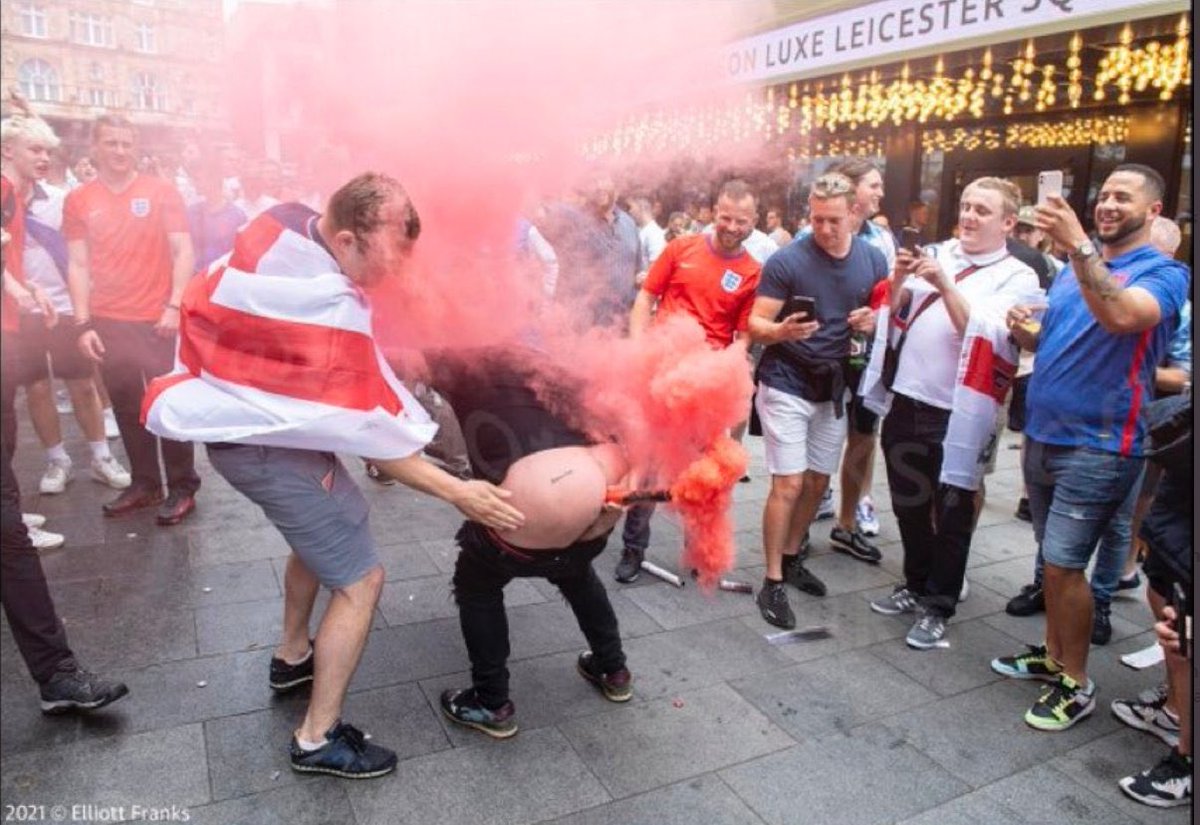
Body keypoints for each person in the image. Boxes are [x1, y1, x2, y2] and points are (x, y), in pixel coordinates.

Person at [142, 172, 525, 779]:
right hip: (262, 441)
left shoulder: (287, 220)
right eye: (385, 256)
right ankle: (318, 739)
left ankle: (293, 655)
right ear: (344, 240)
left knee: (337, 521)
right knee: (360, 579)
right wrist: (461, 493)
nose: (395, 272)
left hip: (256, 424)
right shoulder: (325, 304)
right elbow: (373, 436)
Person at [991, 164, 1188, 731]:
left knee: (1064, 564)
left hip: (1102, 444)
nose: (1107, 205)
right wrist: (1025, 331)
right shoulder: (1073, 271)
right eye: (1104, 195)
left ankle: (1075, 683)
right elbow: (1059, 337)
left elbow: (1124, 315)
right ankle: (1053, 657)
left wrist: (1077, 244)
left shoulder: (1164, 273)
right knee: (1050, 562)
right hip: (1046, 433)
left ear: (1151, 212)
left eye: (1122, 198)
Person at [867, 177, 1037, 649]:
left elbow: (985, 335)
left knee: (954, 511)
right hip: (906, 398)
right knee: (908, 506)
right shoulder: (938, 252)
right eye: (965, 206)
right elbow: (894, 312)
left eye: (982, 210)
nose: (968, 216)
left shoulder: (1018, 276)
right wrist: (900, 278)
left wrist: (941, 283)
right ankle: (915, 584)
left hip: (957, 413)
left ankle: (939, 605)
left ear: (1007, 222)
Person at [428, 348, 633, 738]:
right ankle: (613, 669)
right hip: (600, 494)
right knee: (577, 574)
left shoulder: (462, 352)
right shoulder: (554, 351)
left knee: (477, 588)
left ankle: (491, 703)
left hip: (534, 503)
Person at [748, 172, 886, 629]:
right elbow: (754, 325)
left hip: (834, 388)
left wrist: (870, 320)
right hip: (786, 380)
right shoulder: (788, 260)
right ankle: (771, 582)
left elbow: (880, 314)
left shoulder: (871, 258)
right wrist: (781, 331)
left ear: (854, 214)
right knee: (787, 484)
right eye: (816, 219)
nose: (824, 229)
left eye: (833, 220)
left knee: (815, 483)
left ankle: (791, 556)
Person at [614, 179, 762, 584]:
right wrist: (639, 346)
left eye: (741, 220)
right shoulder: (681, 249)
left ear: (754, 221)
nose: (732, 226)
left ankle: (699, 553)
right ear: (714, 212)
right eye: (725, 217)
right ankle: (633, 549)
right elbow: (646, 297)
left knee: (706, 470)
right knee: (648, 464)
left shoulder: (752, 272)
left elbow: (744, 334)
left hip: (707, 387)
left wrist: (729, 374)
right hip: (663, 374)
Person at [64, 114, 200, 525]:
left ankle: (181, 486)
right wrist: (83, 323)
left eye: (127, 143)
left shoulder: (161, 192)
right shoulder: (80, 200)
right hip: (108, 320)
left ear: (136, 147)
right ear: (96, 148)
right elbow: (78, 264)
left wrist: (174, 304)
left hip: (158, 319)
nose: (120, 151)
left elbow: (183, 251)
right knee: (126, 405)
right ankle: (145, 483)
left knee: (169, 403)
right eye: (111, 143)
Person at [1, 112, 130, 502]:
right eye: (34, 149)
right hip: (21, 315)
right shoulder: (8, 193)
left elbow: (83, 252)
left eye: (47, 151)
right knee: (37, 388)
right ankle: (58, 461)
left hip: (62, 305)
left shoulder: (60, 199)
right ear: (9, 152)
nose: (43, 158)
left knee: (82, 383)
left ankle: (102, 456)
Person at [804, 159, 896, 550]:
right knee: (812, 441)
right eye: (873, 185)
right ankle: (799, 529)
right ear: (848, 188)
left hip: (864, 357)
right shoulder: (811, 237)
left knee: (862, 435)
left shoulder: (882, 240)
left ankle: (848, 521)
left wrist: (875, 317)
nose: (880, 193)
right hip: (820, 358)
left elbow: (890, 297)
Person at [1111, 393, 1191, 807]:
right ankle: (1176, 713)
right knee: (1166, 603)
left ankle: (1187, 761)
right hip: (1181, 503)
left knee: (1185, 635)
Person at [537, 170, 642, 328]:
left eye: (604, 179)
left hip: (621, 324)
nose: (599, 187)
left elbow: (638, 270)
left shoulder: (629, 224)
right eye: (593, 181)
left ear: (616, 186)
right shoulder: (573, 219)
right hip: (581, 325)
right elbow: (542, 213)